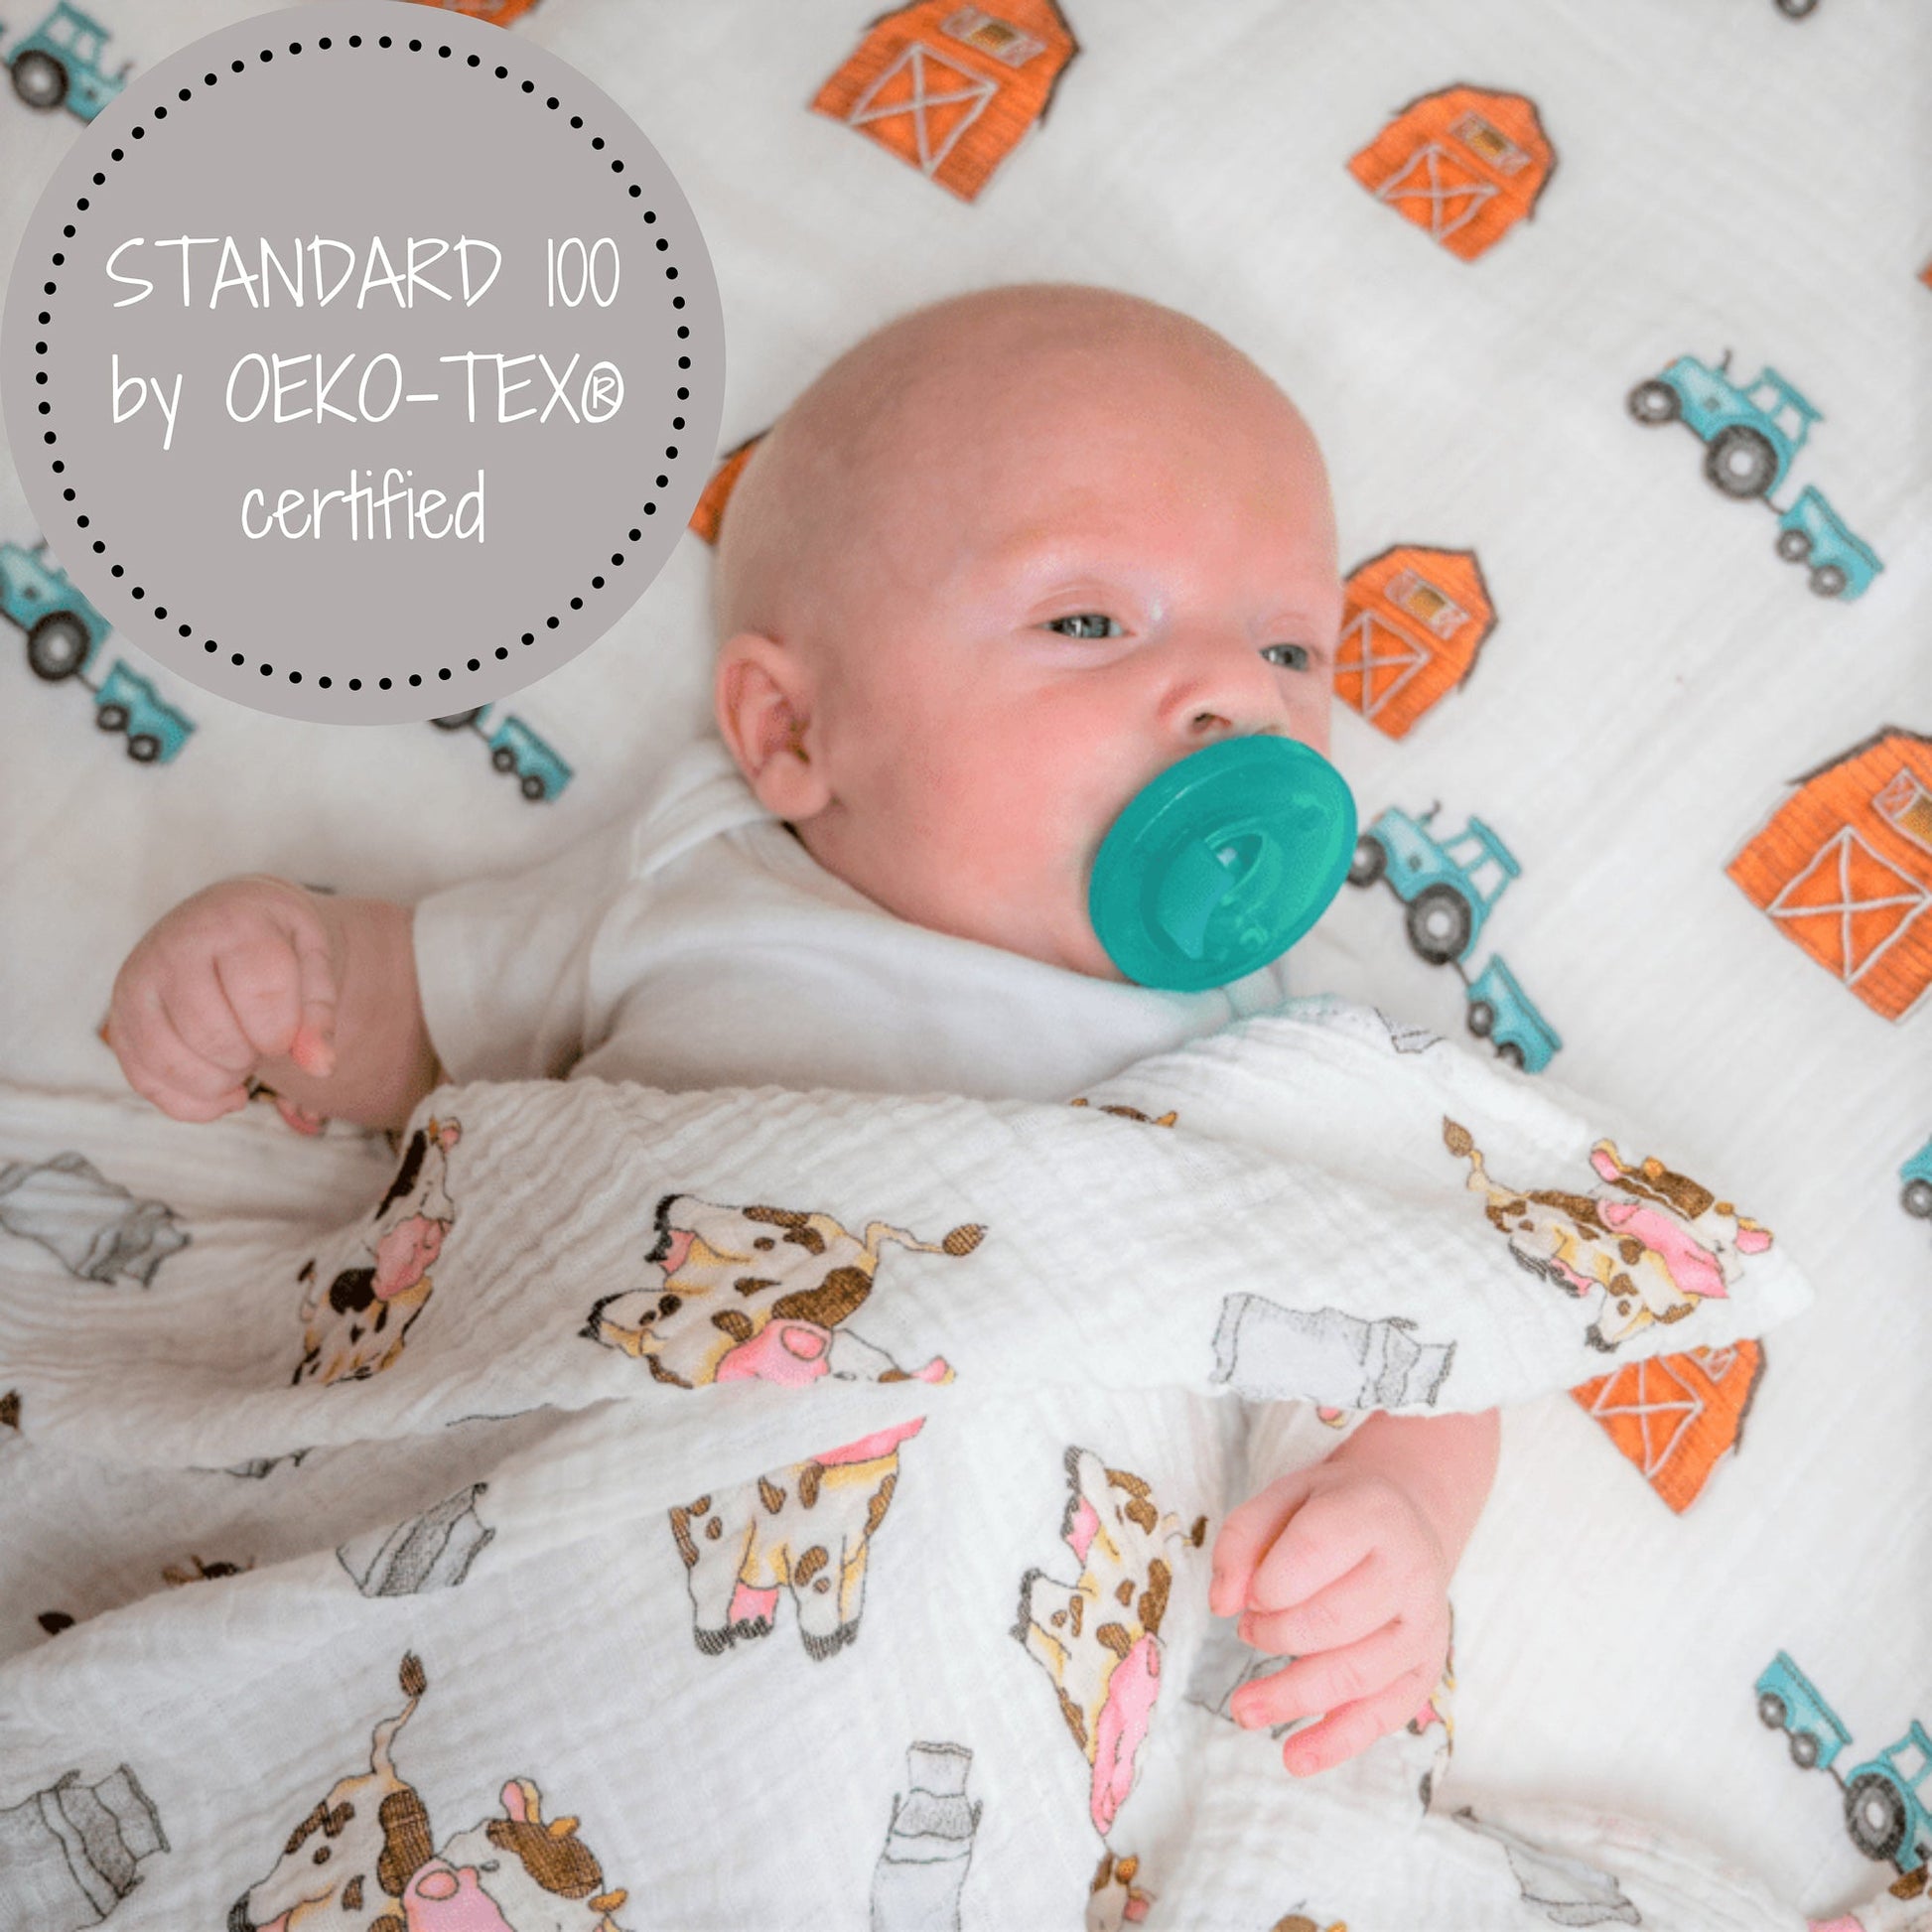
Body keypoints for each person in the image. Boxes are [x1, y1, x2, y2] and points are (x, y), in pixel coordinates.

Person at [104, 282, 1499, 1785]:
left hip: (937, 1694)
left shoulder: (1288, 1038)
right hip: (520, 1545)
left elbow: (1444, 1326)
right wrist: (284, 973)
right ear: (791, 732)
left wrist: (1401, 1504)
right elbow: (423, 1021)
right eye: (1089, 620)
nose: (1238, 695)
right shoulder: (692, 882)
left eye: (1291, 649)